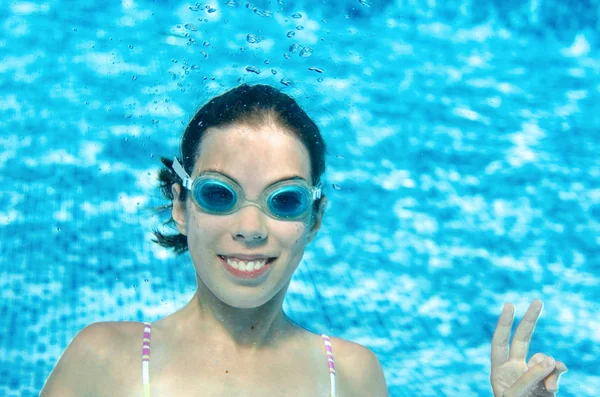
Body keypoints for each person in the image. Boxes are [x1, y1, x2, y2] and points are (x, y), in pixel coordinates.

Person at [39, 83, 567, 397]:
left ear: (314, 219)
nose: (250, 227)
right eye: (220, 195)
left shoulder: (354, 375)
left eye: (283, 200)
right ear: (181, 206)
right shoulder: (107, 359)